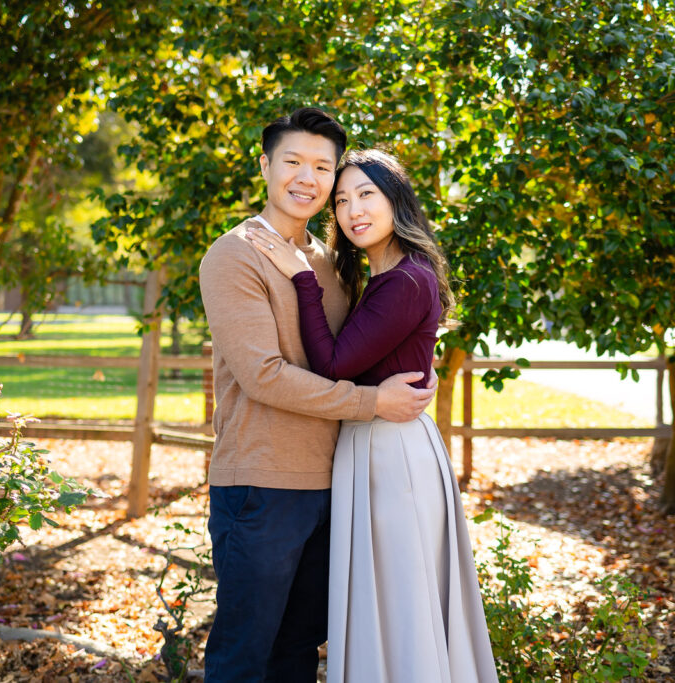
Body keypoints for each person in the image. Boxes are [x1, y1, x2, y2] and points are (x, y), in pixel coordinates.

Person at [198, 108, 438, 683]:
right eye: (294, 162)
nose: (307, 177)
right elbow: (265, 375)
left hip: (335, 482)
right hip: (262, 482)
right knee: (243, 653)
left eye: (322, 167)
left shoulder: (330, 263)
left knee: (299, 650)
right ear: (265, 166)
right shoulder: (233, 255)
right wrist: (371, 404)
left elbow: (365, 347)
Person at [246, 148, 499, 683]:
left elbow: (333, 364)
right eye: (341, 200)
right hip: (378, 443)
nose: (352, 210)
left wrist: (301, 278)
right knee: (386, 597)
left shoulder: (406, 280)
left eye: (367, 194)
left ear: (396, 200)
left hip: (393, 454)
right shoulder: (383, 278)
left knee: (401, 599)